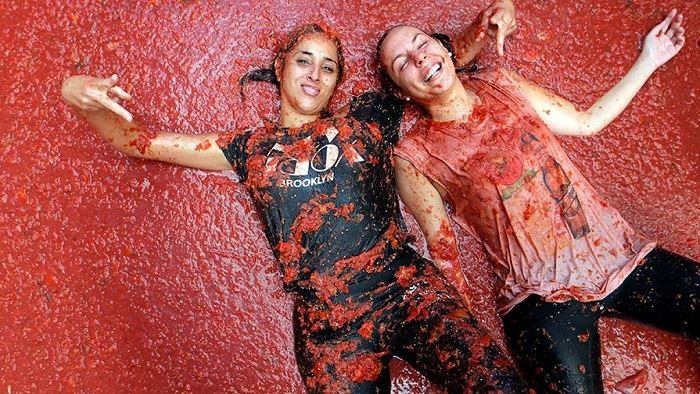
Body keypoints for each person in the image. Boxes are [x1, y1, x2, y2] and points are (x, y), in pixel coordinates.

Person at [61, 15, 527, 394]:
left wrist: (481, 28)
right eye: (304, 61)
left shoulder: (366, 118)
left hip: (407, 292)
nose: (315, 74)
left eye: (328, 67)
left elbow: (435, 69)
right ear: (281, 67)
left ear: (337, 82)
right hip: (329, 329)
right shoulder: (248, 149)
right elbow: (138, 142)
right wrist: (78, 97)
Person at [377, 9, 698, 393]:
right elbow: (444, 252)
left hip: (617, 256)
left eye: (422, 44)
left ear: (444, 50)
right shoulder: (413, 156)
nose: (419, 59)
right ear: (401, 91)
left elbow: (585, 122)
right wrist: (473, 346)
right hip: (538, 303)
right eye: (403, 64)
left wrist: (649, 58)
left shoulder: (500, 82)